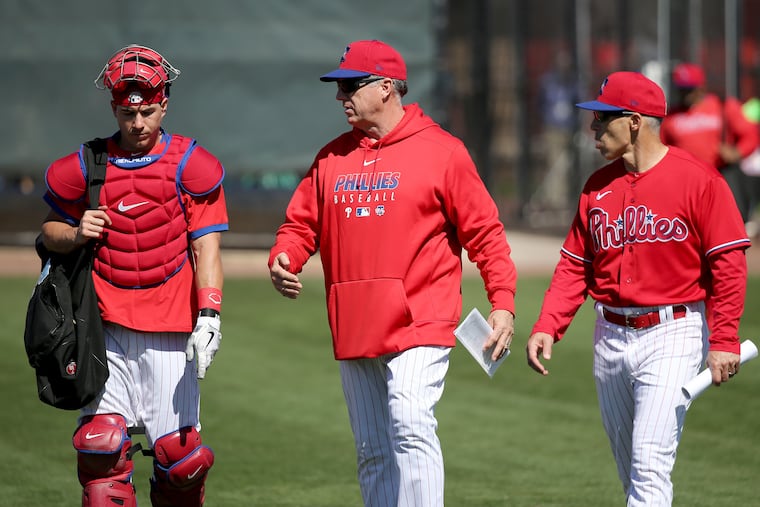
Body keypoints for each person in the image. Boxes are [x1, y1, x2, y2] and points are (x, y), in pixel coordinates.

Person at [268, 39, 517, 506]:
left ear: (386, 88)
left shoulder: (443, 151)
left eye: (350, 86)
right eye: (339, 87)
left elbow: (486, 234)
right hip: (355, 322)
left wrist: (502, 303)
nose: (341, 97)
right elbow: (300, 224)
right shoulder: (331, 158)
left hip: (420, 319)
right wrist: (285, 256)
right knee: (372, 451)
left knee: (410, 422)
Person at [526, 71, 749, 506]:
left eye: (601, 118)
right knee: (633, 472)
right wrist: (548, 325)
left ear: (633, 121)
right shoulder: (596, 187)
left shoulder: (699, 180)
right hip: (608, 336)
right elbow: (575, 267)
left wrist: (723, 338)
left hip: (673, 332)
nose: (592, 128)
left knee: (649, 465)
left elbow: (728, 263)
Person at [39, 44, 228, 506]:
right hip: (103, 328)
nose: (137, 124)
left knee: (181, 462)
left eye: (146, 112)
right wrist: (76, 232)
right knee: (101, 452)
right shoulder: (87, 163)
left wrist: (209, 315)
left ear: (164, 103)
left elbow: (207, 246)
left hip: (170, 327)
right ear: (115, 108)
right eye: (127, 113)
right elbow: (48, 234)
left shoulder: (191, 164)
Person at [660, 62, 759, 224]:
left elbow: (750, 135)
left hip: (719, 175)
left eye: (689, 88)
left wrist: (737, 152)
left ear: (701, 87)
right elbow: (661, 147)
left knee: (728, 223)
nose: (685, 93)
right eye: (681, 89)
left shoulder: (722, 105)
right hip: (686, 182)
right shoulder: (671, 116)